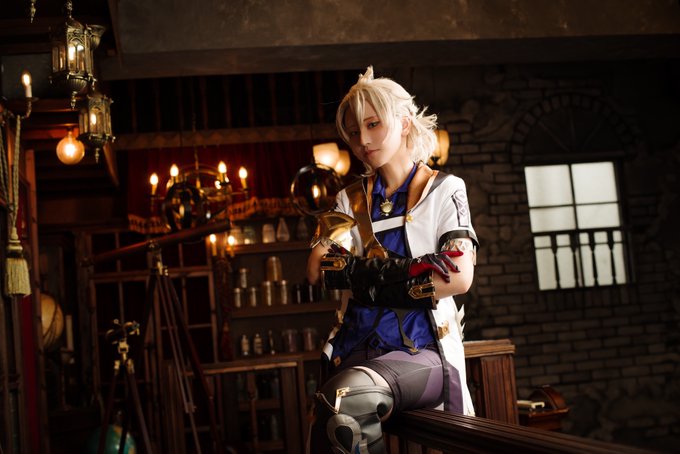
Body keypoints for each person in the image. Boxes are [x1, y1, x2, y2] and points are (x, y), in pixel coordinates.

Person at [306, 66, 479, 453]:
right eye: (354, 132)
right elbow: (320, 270)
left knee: (345, 400)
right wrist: (414, 270)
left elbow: (457, 278)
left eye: (373, 125)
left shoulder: (445, 190)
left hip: (423, 351)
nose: (363, 140)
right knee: (326, 424)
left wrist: (359, 276)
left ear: (403, 123)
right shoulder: (349, 200)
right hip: (354, 349)